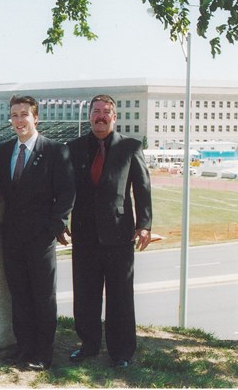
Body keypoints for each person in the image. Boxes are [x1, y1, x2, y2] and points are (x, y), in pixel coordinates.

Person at [0, 95, 75, 371]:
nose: (19, 120)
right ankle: (23, 349)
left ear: (36, 118)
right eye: (14, 115)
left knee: (42, 297)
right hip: (11, 236)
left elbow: (67, 193)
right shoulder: (4, 150)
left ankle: (43, 354)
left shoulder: (55, 151)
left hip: (41, 238)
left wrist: (54, 228)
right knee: (19, 295)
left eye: (24, 115)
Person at [66, 94, 152, 368]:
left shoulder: (130, 147)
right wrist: (61, 221)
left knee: (120, 296)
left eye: (106, 112)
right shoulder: (74, 147)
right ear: (89, 116)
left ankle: (121, 352)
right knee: (85, 294)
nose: (100, 116)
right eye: (96, 111)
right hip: (84, 236)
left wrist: (144, 225)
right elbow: (64, 189)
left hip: (119, 234)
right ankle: (89, 344)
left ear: (114, 117)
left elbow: (142, 188)